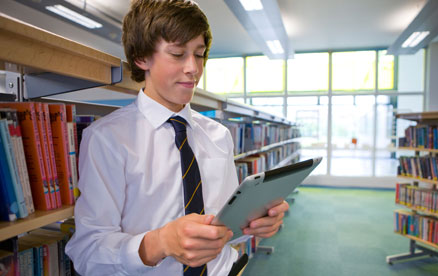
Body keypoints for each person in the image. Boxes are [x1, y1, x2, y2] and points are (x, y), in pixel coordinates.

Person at [65, 0, 289, 275]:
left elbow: (225, 230)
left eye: (200, 54)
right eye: (178, 54)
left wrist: (253, 224)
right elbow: (88, 253)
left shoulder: (218, 135)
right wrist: (159, 243)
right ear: (142, 57)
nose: (193, 68)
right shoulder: (107, 138)